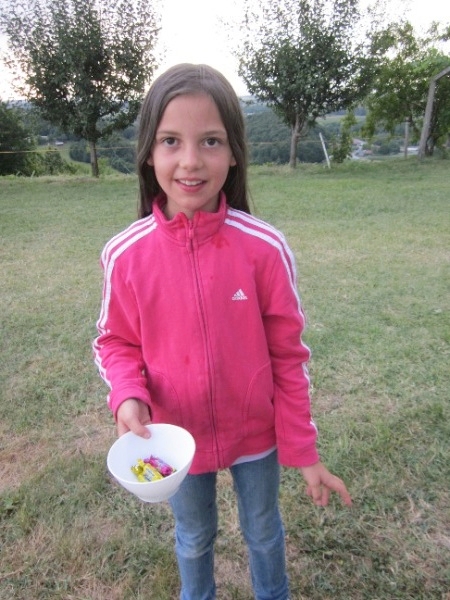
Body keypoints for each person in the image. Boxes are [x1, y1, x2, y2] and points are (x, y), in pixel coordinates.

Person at [93, 63, 352, 600]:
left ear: (234, 152)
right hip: (175, 438)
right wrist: (128, 395)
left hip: (256, 435)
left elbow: (288, 357)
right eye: (171, 141)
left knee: (263, 531)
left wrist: (303, 451)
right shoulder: (125, 254)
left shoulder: (264, 248)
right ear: (148, 153)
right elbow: (115, 341)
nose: (190, 160)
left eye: (210, 141)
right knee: (193, 537)